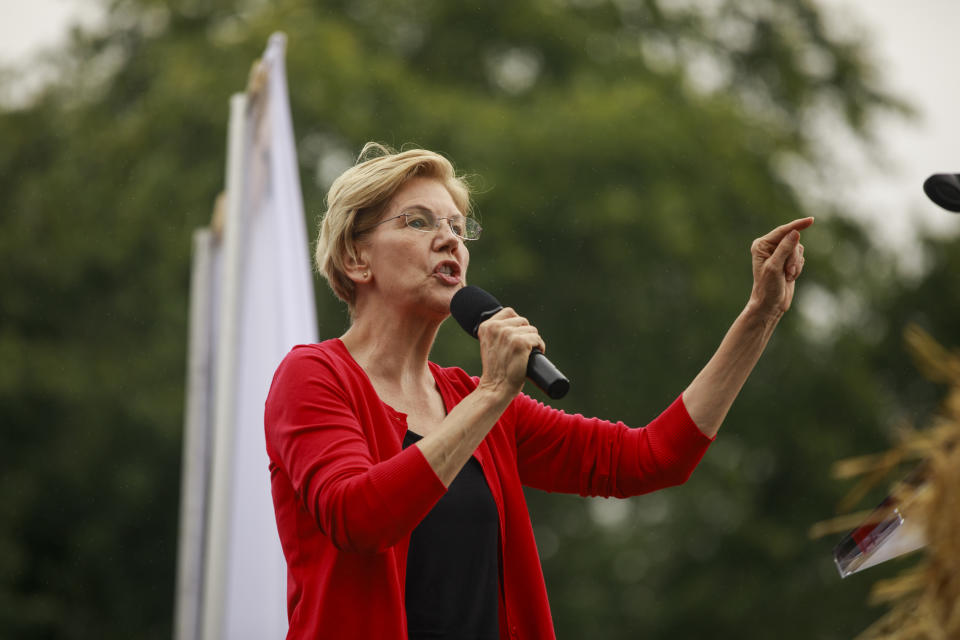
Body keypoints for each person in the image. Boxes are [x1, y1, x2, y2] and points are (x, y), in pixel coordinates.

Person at [264, 143, 811, 640]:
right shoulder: (315, 377)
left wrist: (760, 316)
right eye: (418, 221)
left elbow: (651, 458)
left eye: (458, 226)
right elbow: (358, 518)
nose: (449, 237)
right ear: (356, 259)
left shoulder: (471, 399)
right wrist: (493, 393)